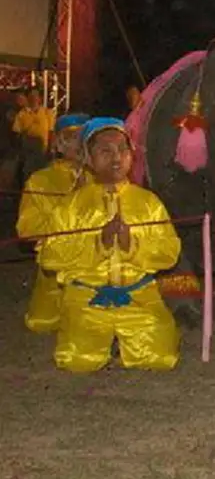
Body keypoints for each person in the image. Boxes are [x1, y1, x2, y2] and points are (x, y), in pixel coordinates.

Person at [38, 117, 183, 373]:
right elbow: (50, 257)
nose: (116, 157)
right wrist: (98, 244)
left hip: (138, 297)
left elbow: (169, 252)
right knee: (77, 361)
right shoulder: (72, 206)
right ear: (88, 159)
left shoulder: (148, 202)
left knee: (161, 358)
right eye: (105, 151)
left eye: (123, 149)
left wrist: (131, 245)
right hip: (88, 299)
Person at [16, 112, 92, 333]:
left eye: (84, 137)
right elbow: (27, 230)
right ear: (58, 144)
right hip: (57, 272)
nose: (79, 144)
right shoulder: (40, 181)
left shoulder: (102, 177)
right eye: (72, 137)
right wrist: (73, 202)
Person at [11, 91, 55, 185]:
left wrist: (50, 148)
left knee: (42, 175)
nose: (33, 99)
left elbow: (51, 131)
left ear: (40, 99)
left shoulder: (47, 112)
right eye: (31, 96)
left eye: (35, 96)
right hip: (28, 151)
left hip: (43, 150)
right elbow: (16, 132)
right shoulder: (21, 114)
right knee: (27, 175)